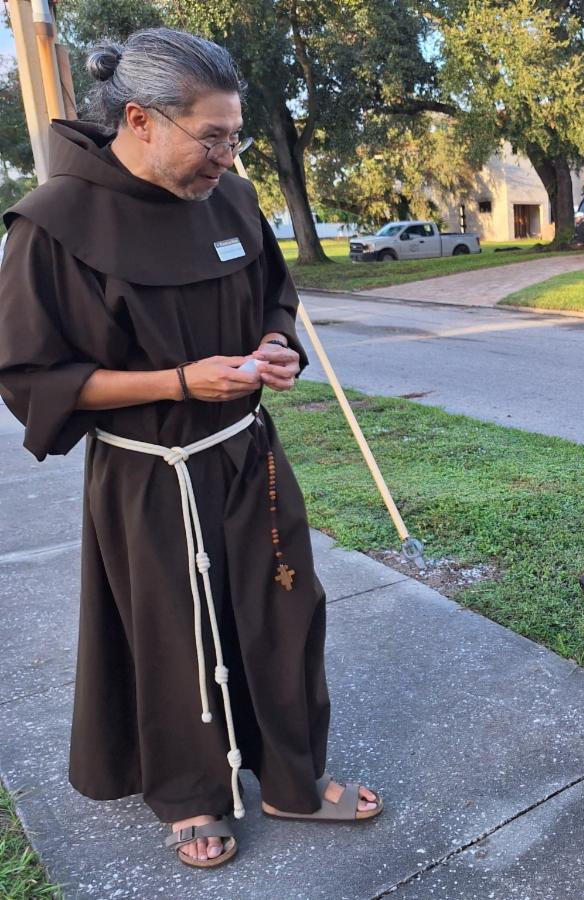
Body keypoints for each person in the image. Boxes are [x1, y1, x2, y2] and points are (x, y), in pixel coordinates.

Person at [0, 28, 380, 868]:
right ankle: (191, 794)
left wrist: (276, 345)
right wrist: (175, 382)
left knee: (286, 611)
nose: (227, 157)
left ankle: (291, 779)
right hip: (149, 474)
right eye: (212, 138)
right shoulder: (51, 226)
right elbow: (33, 378)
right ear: (141, 120)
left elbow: (275, 297)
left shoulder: (232, 199)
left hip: (247, 452)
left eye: (235, 137)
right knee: (175, 632)